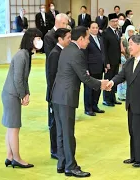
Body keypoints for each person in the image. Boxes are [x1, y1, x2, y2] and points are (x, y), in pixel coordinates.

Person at [50, 26, 109, 178]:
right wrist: (101, 84)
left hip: (57, 95)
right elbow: (84, 77)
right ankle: (71, 166)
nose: (89, 41)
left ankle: (62, 163)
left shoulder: (66, 49)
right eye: (88, 38)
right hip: (66, 97)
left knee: (62, 132)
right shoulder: (77, 53)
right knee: (68, 133)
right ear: (81, 39)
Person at [106, 35, 140, 168]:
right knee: (132, 130)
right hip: (131, 103)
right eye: (129, 44)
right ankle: (134, 156)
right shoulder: (129, 61)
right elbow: (121, 76)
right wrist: (111, 82)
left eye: (132, 44)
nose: (129, 47)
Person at [1, 28, 43, 169]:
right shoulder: (22, 55)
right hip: (11, 94)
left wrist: (27, 92)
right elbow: (18, 79)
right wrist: (22, 95)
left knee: (11, 126)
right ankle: (16, 158)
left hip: (11, 93)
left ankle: (10, 155)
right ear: (30, 39)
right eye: (37, 38)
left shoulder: (26, 54)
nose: (39, 41)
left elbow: (24, 79)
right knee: (14, 127)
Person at [45, 28, 71, 160]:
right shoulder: (55, 53)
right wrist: (52, 96)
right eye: (68, 38)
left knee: (60, 124)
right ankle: (54, 150)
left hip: (62, 94)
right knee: (55, 124)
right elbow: (51, 77)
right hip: (55, 95)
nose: (70, 40)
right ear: (60, 39)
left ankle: (60, 148)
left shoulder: (63, 51)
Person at [83, 22, 106, 116]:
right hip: (90, 68)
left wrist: (105, 65)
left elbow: (103, 52)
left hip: (99, 67)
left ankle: (95, 105)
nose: (95, 29)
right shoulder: (87, 39)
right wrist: (85, 68)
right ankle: (88, 108)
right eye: (93, 27)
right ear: (89, 29)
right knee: (89, 89)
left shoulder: (100, 38)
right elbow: (84, 55)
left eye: (96, 27)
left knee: (98, 87)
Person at [102, 13, 122, 107]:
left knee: (114, 80)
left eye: (116, 21)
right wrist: (106, 62)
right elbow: (104, 49)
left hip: (116, 60)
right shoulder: (106, 32)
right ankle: (106, 99)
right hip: (109, 61)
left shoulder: (118, 31)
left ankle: (113, 98)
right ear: (109, 22)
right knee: (108, 79)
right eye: (113, 21)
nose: (115, 23)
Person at [118, 25, 136, 101]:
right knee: (122, 78)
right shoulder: (123, 39)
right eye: (129, 31)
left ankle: (127, 93)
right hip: (124, 60)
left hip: (132, 60)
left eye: (132, 31)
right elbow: (122, 50)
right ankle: (121, 95)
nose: (131, 33)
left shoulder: (135, 40)